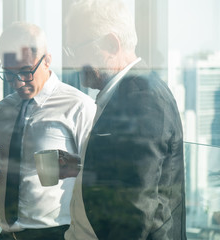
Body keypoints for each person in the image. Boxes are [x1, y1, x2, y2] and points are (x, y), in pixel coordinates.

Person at [62, 0, 187, 239]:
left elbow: (135, 212)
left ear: (110, 44)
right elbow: (124, 174)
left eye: (77, 49)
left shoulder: (143, 101)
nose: (73, 61)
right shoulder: (125, 93)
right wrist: (83, 166)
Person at [0, 22, 96, 240]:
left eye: (26, 72)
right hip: (6, 235)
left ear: (47, 60)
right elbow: (2, 185)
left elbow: (97, 176)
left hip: (57, 234)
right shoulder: (1, 112)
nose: (17, 83)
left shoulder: (78, 106)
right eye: (8, 73)